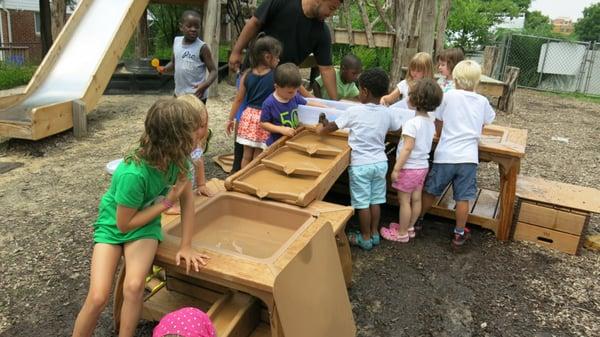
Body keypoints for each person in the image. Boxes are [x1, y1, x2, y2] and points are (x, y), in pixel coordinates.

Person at [72, 98, 210, 337]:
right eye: (192, 131)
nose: (198, 135)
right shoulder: (133, 173)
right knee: (97, 297)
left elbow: (188, 203)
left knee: (134, 286)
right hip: (114, 225)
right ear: (175, 140)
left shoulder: (179, 161)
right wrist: (166, 202)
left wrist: (186, 245)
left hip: (144, 226)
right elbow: (124, 225)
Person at [316, 68, 402, 250]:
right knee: (376, 200)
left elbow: (333, 127)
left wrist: (322, 125)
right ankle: (374, 233)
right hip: (380, 163)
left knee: (362, 204)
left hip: (361, 165)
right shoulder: (387, 112)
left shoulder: (354, 111)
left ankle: (364, 238)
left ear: (364, 91)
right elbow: (397, 127)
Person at [419, 60, 496, 247]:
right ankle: (459, 233)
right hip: (468, 157)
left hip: (445, 154)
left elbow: (437, 119)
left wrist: (440, 134)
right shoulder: (482, 101)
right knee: (463, 197)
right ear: (477, 81)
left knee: (431, 190)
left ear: (455, 77)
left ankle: (417, 219)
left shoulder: (448, 96)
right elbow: (487, 121)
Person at [228, 0, 343, 100]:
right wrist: (236, 52)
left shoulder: (322, 32)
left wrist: (335, 102)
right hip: (254, 75)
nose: (331, 14)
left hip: (283, 85)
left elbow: (326, 69)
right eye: (331, 8)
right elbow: (255, 22)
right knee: (246, 116)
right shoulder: (283, 2)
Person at [379, 79, 443, 243]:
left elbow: (407, 149)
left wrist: (396, 170)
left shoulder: (411, 124)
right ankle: (409, 227)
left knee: (404, 201)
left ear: (414, 100)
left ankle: (401, 234)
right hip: (422, 167)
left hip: (408, 168)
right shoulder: (430, 122)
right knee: (416, 199)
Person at [226, 35, 282, 169]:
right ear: (268, 57)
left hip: (248, 117)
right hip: (264, 119)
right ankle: (252, 180)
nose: (279, 60)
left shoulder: (247, 74)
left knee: (246, 155)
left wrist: (230, 119)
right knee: (258, 155)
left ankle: (241, 178)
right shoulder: (275, 75)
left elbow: (238, 99)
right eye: (277, 56)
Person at [260, 63, 326, 146]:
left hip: (292, 139)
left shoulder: (294, 96)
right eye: (290, 92)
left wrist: (326, 108)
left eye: (296, 90)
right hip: (276, 143)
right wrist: (280, 129)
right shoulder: (269, 103)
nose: (294, 94)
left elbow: (308, 103)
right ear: (276, 87)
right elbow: (263, 124)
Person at [159, 10, 217, 103]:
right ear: (181, 27)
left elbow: (213, 71)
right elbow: (174, 63)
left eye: (197, 27)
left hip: (196, 95)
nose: (193, 29)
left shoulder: (202, 47)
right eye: (189, 26)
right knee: (178, 117)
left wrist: (205, 85)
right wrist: (165, 69)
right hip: (179, 94)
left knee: (195, 118)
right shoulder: (177, 41)